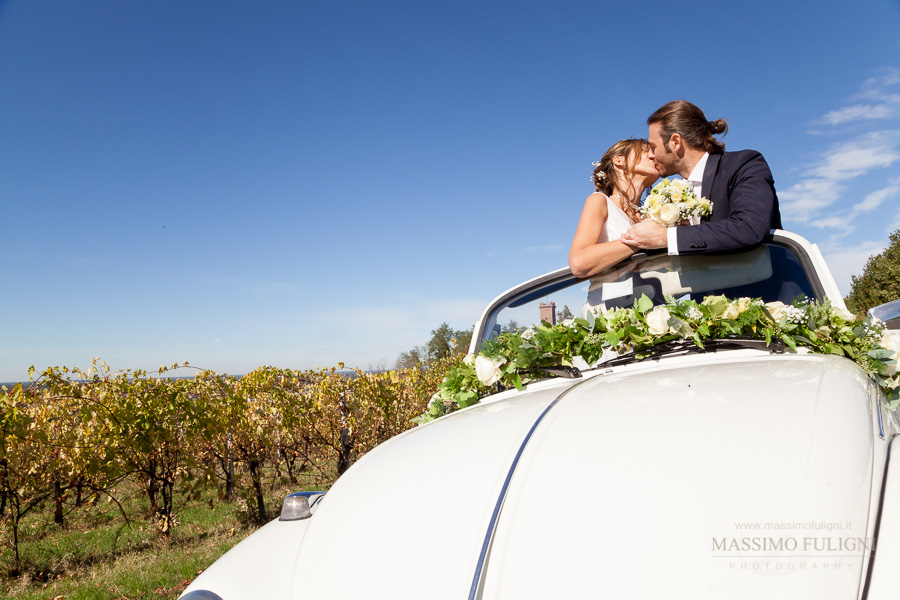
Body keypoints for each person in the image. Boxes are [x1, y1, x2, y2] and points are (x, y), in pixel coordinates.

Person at [619, 100, 782, 254]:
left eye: (653, 147)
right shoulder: (670, 192)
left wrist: (665, 237)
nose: (650, 155)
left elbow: (749, 228)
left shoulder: (743, 164)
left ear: (675, 142)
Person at [568, 139, 660, 278]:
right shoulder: (600, 201)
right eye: (645, 151)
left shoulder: (651, 216)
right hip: (610, 299)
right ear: (619, 160)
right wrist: (640, 240)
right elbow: (579, 263)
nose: (653, 156)